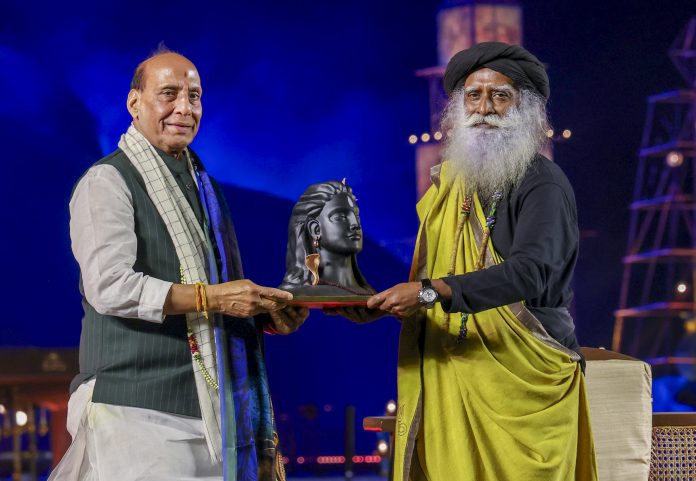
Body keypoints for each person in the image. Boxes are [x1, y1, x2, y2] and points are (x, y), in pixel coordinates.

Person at [339, 42, 598, 480]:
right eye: (473, 96)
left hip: (526, 385)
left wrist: (429, 293)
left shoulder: (543, 182)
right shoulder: (453, 186)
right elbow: (428, 279)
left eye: (500, 96)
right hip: (453, 372)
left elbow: (531, 272)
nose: (484, 109)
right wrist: (372, 302)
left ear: (526, 110)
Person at [50, 47, 308, 481]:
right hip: (136, 411)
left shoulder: (205, 189)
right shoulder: (107, 181)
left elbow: (213, 292)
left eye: (194, 96)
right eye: (169, 94)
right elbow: (110, 287)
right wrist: (214, 298)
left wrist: (264, 315)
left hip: (215, 413)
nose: (184, 108)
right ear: (134, 103)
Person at [280, 180, 373, 296]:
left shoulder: (373, 295)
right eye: (340, 217)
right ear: (315, 229)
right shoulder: (300, 295)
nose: (355, 224)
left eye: (356, 216)